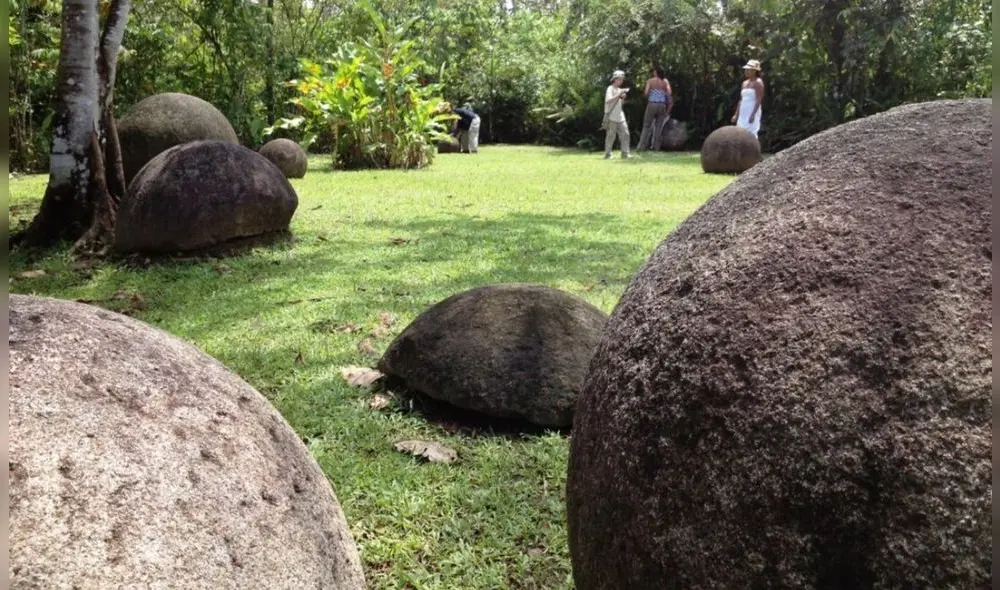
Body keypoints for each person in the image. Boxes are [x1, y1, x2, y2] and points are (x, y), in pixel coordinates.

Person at [636, 66, 673, 151]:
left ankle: (641, 147)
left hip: (652, 104)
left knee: (646, 126)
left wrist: (651, 94)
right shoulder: (665, 81)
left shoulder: (650, 81)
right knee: (658, 127)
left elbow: (646, 93)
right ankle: (656, 147)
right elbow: (669, 92)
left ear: (656, 73)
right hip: (662, 105)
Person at [731, 59, 764, 137]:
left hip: (752, 110)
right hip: (743, 111)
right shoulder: (744, 83)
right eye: (746, 70)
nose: (746, 72)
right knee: (740, 131)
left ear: (754, 71)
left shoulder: (758, 82)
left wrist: (753, 114)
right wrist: (736, 114)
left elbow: (759, 99)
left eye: (748, 70)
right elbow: (741, 100)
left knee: (751, 131)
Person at [603, 70, 631, 159]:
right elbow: (608, 100)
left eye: (622, 79)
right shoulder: (610, 88)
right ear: (615, 79)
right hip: (611, 116)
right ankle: (608, 154)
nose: (622, 81)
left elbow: (620, 104)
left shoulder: (619, 90)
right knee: (611, 136)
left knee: (625, 133)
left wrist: (623, 98)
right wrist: (619, 94)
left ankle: (625, 153)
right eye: (620, 79)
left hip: (620, 115)